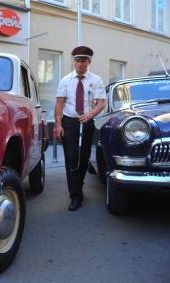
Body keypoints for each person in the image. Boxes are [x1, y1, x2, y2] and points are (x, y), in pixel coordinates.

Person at [54, 46, 106, 211]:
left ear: (89, 62)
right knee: (71, 158)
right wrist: (58, 125)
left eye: (83, 61)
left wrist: (90, 115)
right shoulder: (65, 80)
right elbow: (59, 104)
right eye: (77, 60)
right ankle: (75, 195)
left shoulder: (96, 80)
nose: (80, 64)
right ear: (74, 61)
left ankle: (79, 186)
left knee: (83, 158)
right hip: (70, 122)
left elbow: (100, 103)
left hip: (87, 121)